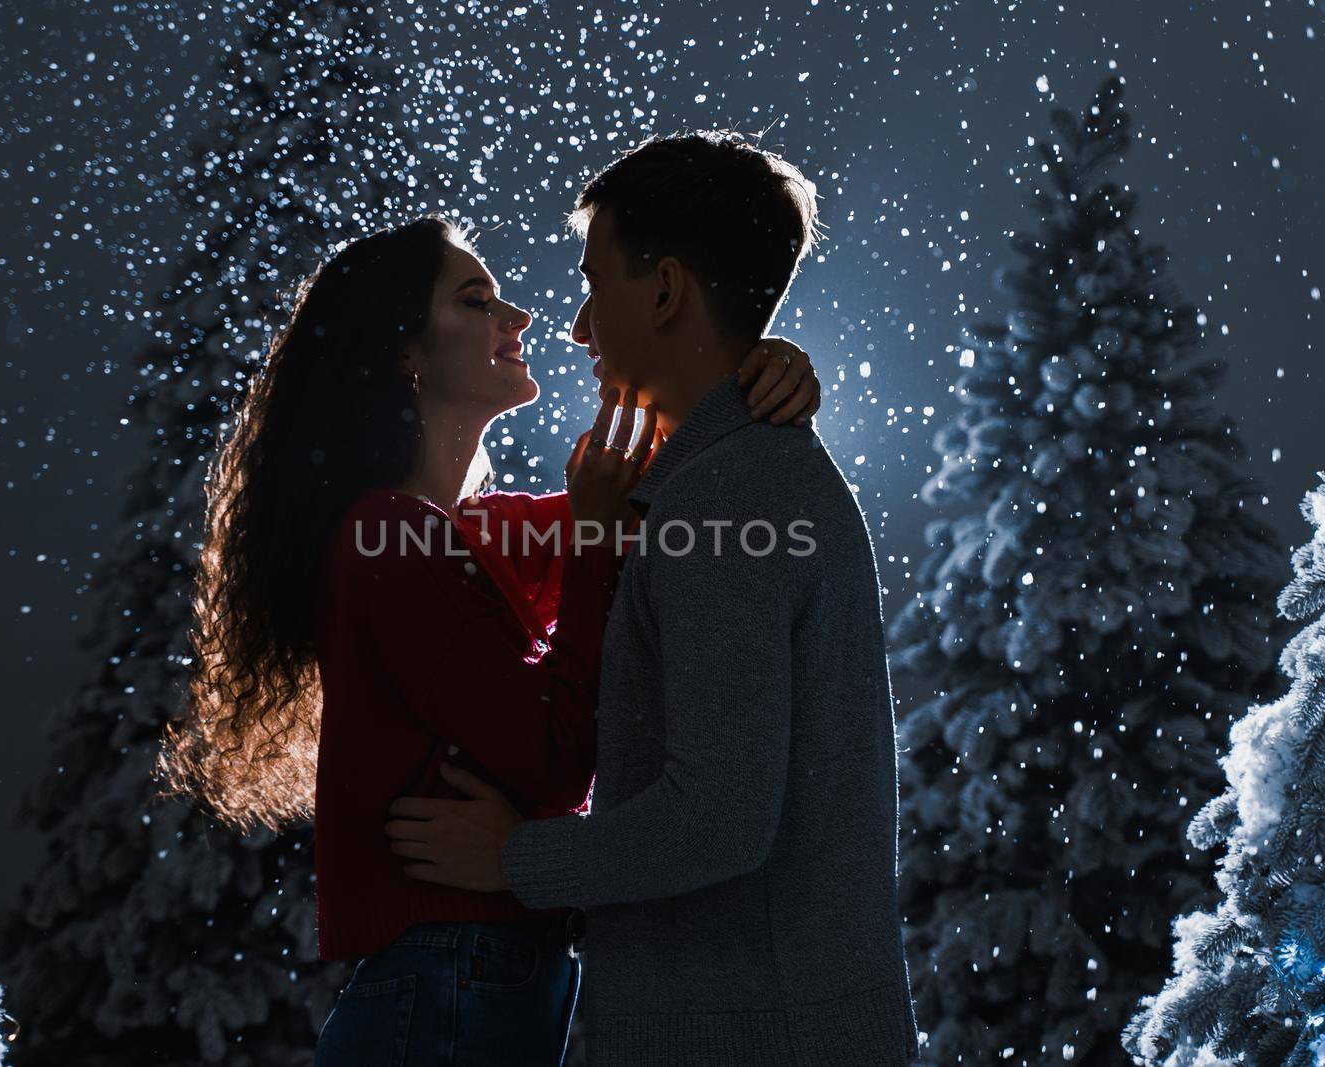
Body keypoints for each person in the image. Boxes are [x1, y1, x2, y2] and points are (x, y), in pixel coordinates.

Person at [152, 212, 821, 1066]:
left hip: (471, 978)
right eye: (477, 300)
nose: (521, 317)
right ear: (405, 354)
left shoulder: (457, 532)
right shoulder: (385, 539)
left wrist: (759, 375)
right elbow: (552, 760)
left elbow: (662, 489)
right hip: (448, 979)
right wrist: (590, 539)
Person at [383, 132, 922, 1066]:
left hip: (752, 1038)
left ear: (667, 291)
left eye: (598, 284)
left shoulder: (731, 496)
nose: (581, 327)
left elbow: (717, 817)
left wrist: (514, 859)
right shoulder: (714, 484)